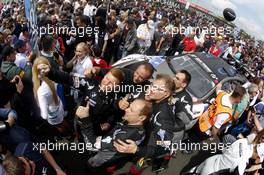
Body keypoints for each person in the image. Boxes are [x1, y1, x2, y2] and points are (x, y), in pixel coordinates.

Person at [113, 74, 185, 174]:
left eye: (156, 88)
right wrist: (121, 103)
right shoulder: (152, 98)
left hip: (149, 146)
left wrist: (137, 150)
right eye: (152, 85)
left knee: (138, 166)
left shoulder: (163, 116)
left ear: (166, 94)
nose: (151, 89)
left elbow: (165, 146)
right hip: (140, 136)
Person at [37, 63, 125, 135]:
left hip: (96, 128)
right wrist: (51, 72)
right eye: (106, 78)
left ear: (117, 86)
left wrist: (109, 122)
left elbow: (115, 112)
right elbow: (69, 79)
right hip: (80, 122)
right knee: (79, 136)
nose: (106, 83)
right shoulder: (89, 84)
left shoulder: (117, 98)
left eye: (111, 83)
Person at [75, 99, 151, 174]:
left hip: (103, 159)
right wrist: (109, 122)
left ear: (142, 118)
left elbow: (91, 145)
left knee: (91, 166)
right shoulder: (135, 124)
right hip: (115, 154)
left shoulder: (124, 137)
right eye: (129, 106)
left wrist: (85, 120)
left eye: (131, 110)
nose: (126, 109)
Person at [192, 139, 264, 175]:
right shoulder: (243, 162)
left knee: (193, 172)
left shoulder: (243, 140)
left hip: (211, 160)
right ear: (258, 155)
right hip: (211, 172)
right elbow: (241, 169)